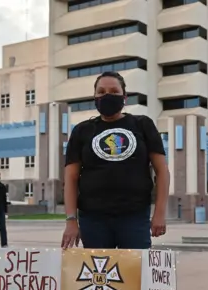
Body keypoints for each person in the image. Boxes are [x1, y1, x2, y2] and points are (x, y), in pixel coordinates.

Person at [61, 71, 170, 249]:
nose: (107, 96)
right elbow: (71, 178)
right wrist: (71, 220)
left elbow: (162, 171)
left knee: (135, 274)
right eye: (101, 92)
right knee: (99, 275)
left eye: (114, 91)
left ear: (124, 97)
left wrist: (159, 213)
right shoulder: (82, 131)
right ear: (95, 97)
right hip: (93, 219)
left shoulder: (143, 125)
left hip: (134, 216)